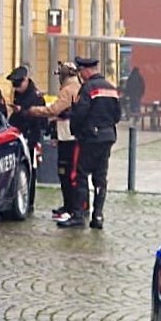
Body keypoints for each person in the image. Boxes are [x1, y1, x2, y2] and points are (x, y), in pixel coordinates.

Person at [60, 55, 121, 230]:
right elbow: (117, 115)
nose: (80, 75)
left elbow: (80, 114)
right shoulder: (111, 88)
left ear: (86, 71)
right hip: (107, 137)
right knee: (100, 178)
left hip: (89, 138)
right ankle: (98, 216)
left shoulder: (88, 88)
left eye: (80, 71)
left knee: (80, 175)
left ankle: (79, 215)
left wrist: (76, 130)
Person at [26, 61, 82, 222]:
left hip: (67, 135)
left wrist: (34, 110)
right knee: (73, 173)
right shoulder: (78, 86)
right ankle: (73, 206)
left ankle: (70, 207)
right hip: (72, 135)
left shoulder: (68, 89)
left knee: (65, 172)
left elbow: (55, 110)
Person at [6, 65, 48, 171]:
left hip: (31, 137)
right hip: (19, 134)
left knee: (30, 168)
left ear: (25, 80)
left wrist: (21, 111)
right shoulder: (18, 93)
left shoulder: (35, 97)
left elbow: (39, 119)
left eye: (18, 84)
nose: (16, 88)